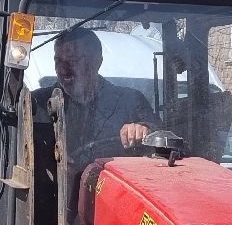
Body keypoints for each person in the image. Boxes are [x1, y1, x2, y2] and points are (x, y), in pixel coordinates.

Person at [42, 27, 156, 168]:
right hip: (58, 189)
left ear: (97, 62)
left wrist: (144, 130)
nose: (64, 70)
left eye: (73, 60)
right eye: (58, 61)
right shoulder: (39, 104)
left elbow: (167, 141)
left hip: (114, 186)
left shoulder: (130, 102)